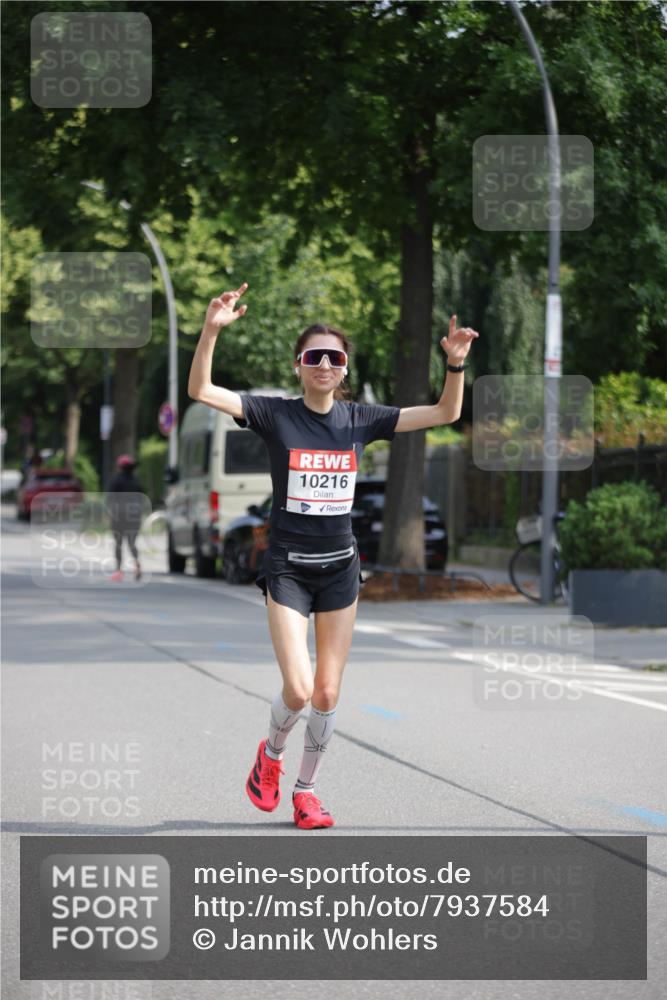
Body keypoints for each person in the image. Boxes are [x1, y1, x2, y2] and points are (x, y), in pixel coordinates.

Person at [188, 282, 478, 830]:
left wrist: (456, 364)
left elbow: (445, 412)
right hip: (289, 568)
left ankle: (307, 791)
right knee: (297, 690)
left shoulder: (359, 421)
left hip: (341, 570)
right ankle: (269, 758)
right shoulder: (274, 415)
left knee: (327, 690)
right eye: (313, 356)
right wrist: (211, 330)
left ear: (344, 369)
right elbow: (201, 389)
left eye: (334, 357)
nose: (324, 364)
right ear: (299, 366)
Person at [107, 454, 144, 582]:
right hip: (134, 517)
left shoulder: (116, 481)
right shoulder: (136, 482)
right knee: (132, 543)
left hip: (119, 516)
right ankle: (137, 566)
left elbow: (111, 499)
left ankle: (118, 571)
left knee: (118, 544)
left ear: (120, 467)